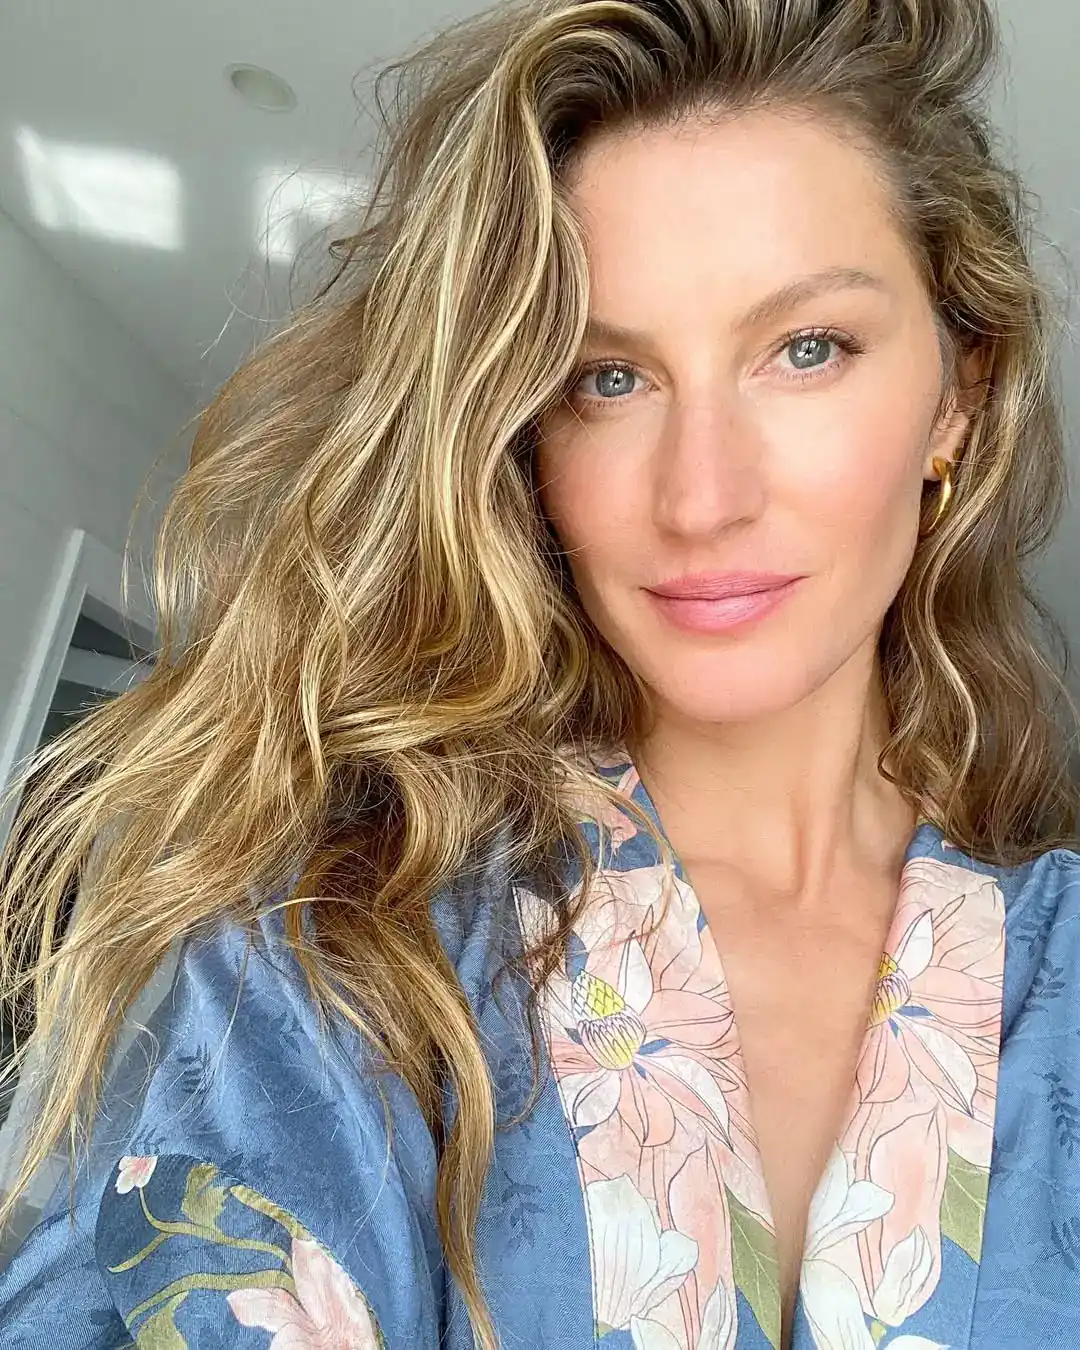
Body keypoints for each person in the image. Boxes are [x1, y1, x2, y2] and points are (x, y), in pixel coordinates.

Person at [1, 0, 1078, 1346]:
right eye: (608, 378)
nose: (702, 496)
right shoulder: (345, 951)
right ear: (524, 440)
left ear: (958, 395)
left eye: (807, 350)